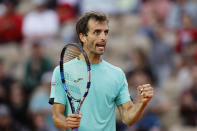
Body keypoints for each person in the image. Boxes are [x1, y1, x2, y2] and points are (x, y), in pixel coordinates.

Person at [49, 11, 154, 131]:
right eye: (97, 32)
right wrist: (66, 123)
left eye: (106, 32)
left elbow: (128, 118)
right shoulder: (61, 71)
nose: (103, 37)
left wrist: (142, 103)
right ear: (82, 37)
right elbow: (57, 116)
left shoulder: (117, 74)